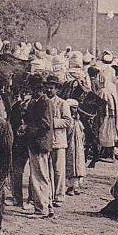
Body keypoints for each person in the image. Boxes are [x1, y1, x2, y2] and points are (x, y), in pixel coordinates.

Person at [20, 74, 54, 218]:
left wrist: (27, 128)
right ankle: (48, 206)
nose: (33, 91)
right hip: (38, 143)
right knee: (43, 175)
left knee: (39, 176)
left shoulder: (44, 102)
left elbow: (45, 124)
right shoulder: (38, 101)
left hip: (39, 143)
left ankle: (41, 209)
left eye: (34, 89)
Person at [45, 75, 72, 207]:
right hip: (45, 141)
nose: (49, 90)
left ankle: (59, 196)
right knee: (46, 170)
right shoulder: (43, 101)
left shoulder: (62, 103)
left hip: (58, 141)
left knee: (58, 170)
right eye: (47, 88)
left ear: (57, 89)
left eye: (51, 88)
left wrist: (52, 122)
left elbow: (68, 121)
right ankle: (48, 195)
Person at [89, 67, 118, 161]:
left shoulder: (102, 92)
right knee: (107, 134)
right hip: (109, 115)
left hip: (106, 116)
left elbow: (102, 106)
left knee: (105, 134)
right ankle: (105, 153)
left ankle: (108, 155)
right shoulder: (108, 90)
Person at [8, 86, 32, 209]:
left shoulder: (36, 105)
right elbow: (11, 123)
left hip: (32, 142)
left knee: (33, 172)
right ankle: (17, 198)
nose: (25, 95)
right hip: (18, 143)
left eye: (27, 92)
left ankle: (31, 199)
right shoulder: (16, 106)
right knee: (17, 171)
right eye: (23, 93)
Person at [64, 98, 87, 195]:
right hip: (70, 145)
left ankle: (76, 186)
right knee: (71, 163)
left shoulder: (77, 119)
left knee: (78, 164)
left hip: (78, 145)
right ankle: (70, 187)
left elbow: (82, 131)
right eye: (73, 108)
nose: (75, 110)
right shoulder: (68, 120)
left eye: (76, 108)